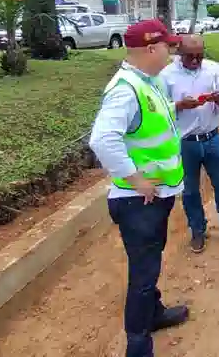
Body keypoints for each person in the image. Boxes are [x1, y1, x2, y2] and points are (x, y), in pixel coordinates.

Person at [89, 19, 189, 357]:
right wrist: (136, 179)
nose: (171, 52)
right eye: (167, 47)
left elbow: (151, 122)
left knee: (151, 262)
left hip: (154, 197)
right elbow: (102, 139)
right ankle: (138, 346)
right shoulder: (125, 88)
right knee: (143, 276)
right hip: (138, 201)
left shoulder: (148, 81)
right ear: (151, 48)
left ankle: (154, 314)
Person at [160, 35, 219, 254]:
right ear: (179, 54)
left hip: (212, 138)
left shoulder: (212, 69)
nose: (195, 61)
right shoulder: (166, 76)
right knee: (191, 190)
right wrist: (179, 106)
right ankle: (198, 230)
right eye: (190, 57)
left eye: (199, 56)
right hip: (185, 143)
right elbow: (159, 109)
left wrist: (218, 99)